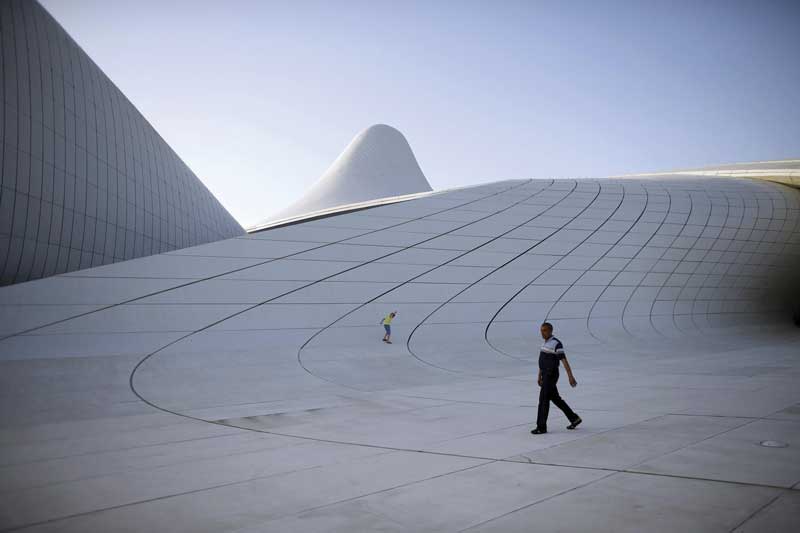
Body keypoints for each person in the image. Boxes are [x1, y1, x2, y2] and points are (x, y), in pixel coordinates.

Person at [531, 322, 582, 434]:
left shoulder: (556, 344)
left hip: (551, 374)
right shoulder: (545, 344)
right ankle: (574, 418)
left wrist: (570, 376)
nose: (542, 333)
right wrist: (539, 375)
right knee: (556, 399)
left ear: (550, 331)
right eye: (541, 330)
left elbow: (564, 361)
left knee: (543, 399)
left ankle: (541, 427)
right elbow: (542, 362)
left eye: (544, 330)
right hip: (545, 375)